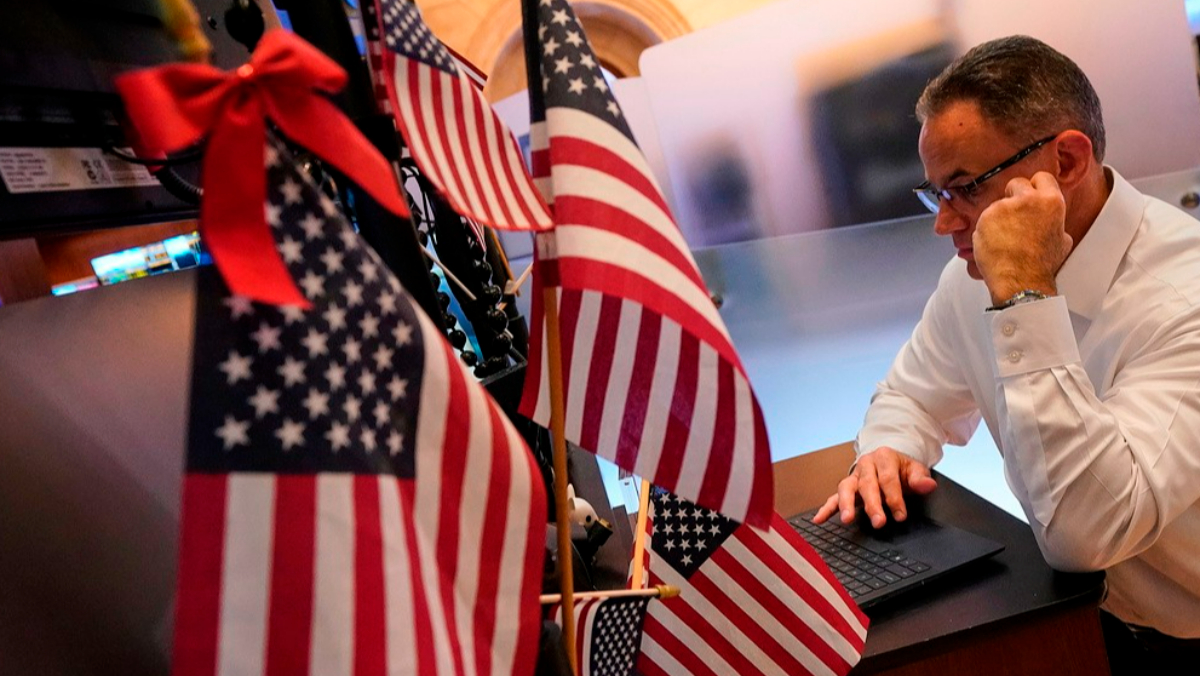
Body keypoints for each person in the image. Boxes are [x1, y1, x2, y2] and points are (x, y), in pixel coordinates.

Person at [812, 35, 1200, 671]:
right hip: (1083, 618)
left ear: (1067, 161)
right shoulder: (969, 282)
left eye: (965, 188)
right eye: (935, 193)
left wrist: (1025, 293)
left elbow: (1085, 535)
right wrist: (888, 447)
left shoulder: (1186, 298)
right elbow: (911, 396)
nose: (944, 223)